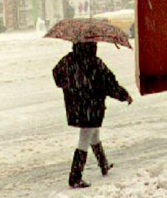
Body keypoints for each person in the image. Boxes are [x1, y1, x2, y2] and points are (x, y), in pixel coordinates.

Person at [52, 41, 133, 189]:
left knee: (93, 133)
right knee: (85, 136)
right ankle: (75, 177)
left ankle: (104, 164)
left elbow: (57, 77)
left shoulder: (67, 60)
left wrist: (72, 86)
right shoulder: (95, 63)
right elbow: (110, 84)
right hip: (92, 105)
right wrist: (124, 95)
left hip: (75, 106)